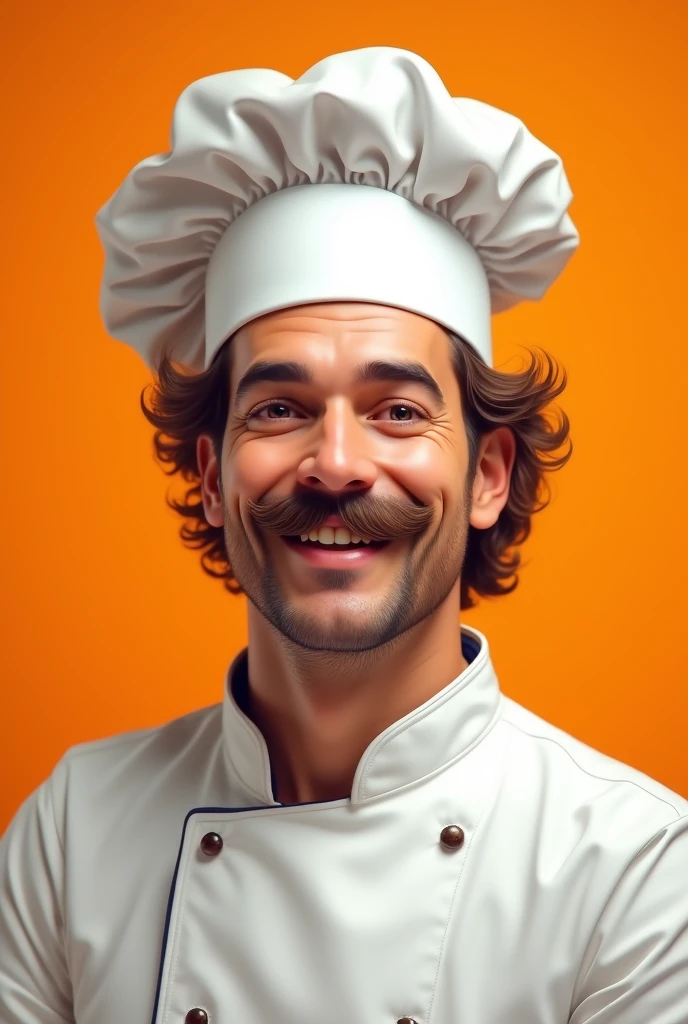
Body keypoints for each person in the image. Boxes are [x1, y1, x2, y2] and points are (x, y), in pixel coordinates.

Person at [1, 46, 686, 1024]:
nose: (334, 463)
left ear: (487, 475)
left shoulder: (635, 869)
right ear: (210, 473)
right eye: (278, 409)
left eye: (398, 412)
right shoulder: (74, 827)